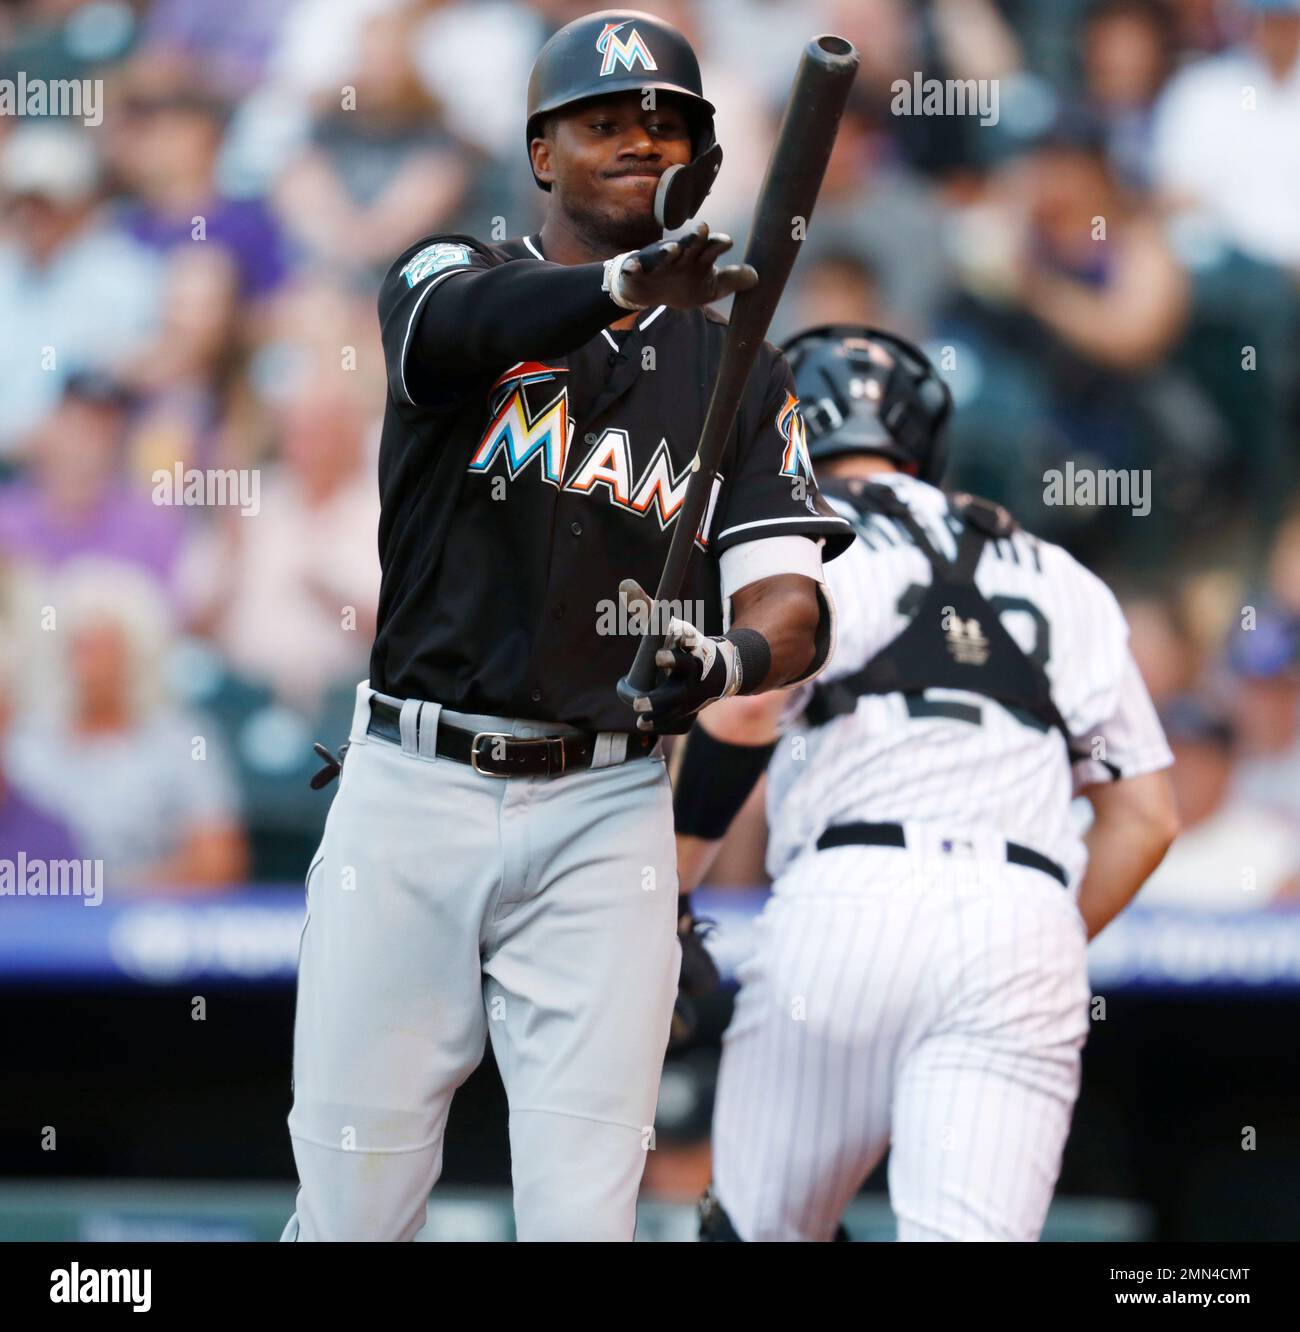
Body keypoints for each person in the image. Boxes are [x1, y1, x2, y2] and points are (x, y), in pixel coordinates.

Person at [279, 9, 853, 1243]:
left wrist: (729, 656)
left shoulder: (740, 368)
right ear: (542, 152)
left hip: (606, 807)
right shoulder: (451, 269)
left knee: (585, 1216)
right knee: (355, 1204)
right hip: (414, 781)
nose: (640, 140)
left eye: (666, 125)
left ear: (700, 159)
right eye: (604, 122)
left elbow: (791, 602)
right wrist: (614, 288)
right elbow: (450, 338)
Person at [672, 325, 1178, 1241]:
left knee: (754, 1232)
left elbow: (744, 713)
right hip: (1022, 907)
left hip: (847, 901)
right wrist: (1039, 941)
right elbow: (1145, 819)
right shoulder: (1063, 574)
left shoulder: (794, 540)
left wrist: (666, 892)